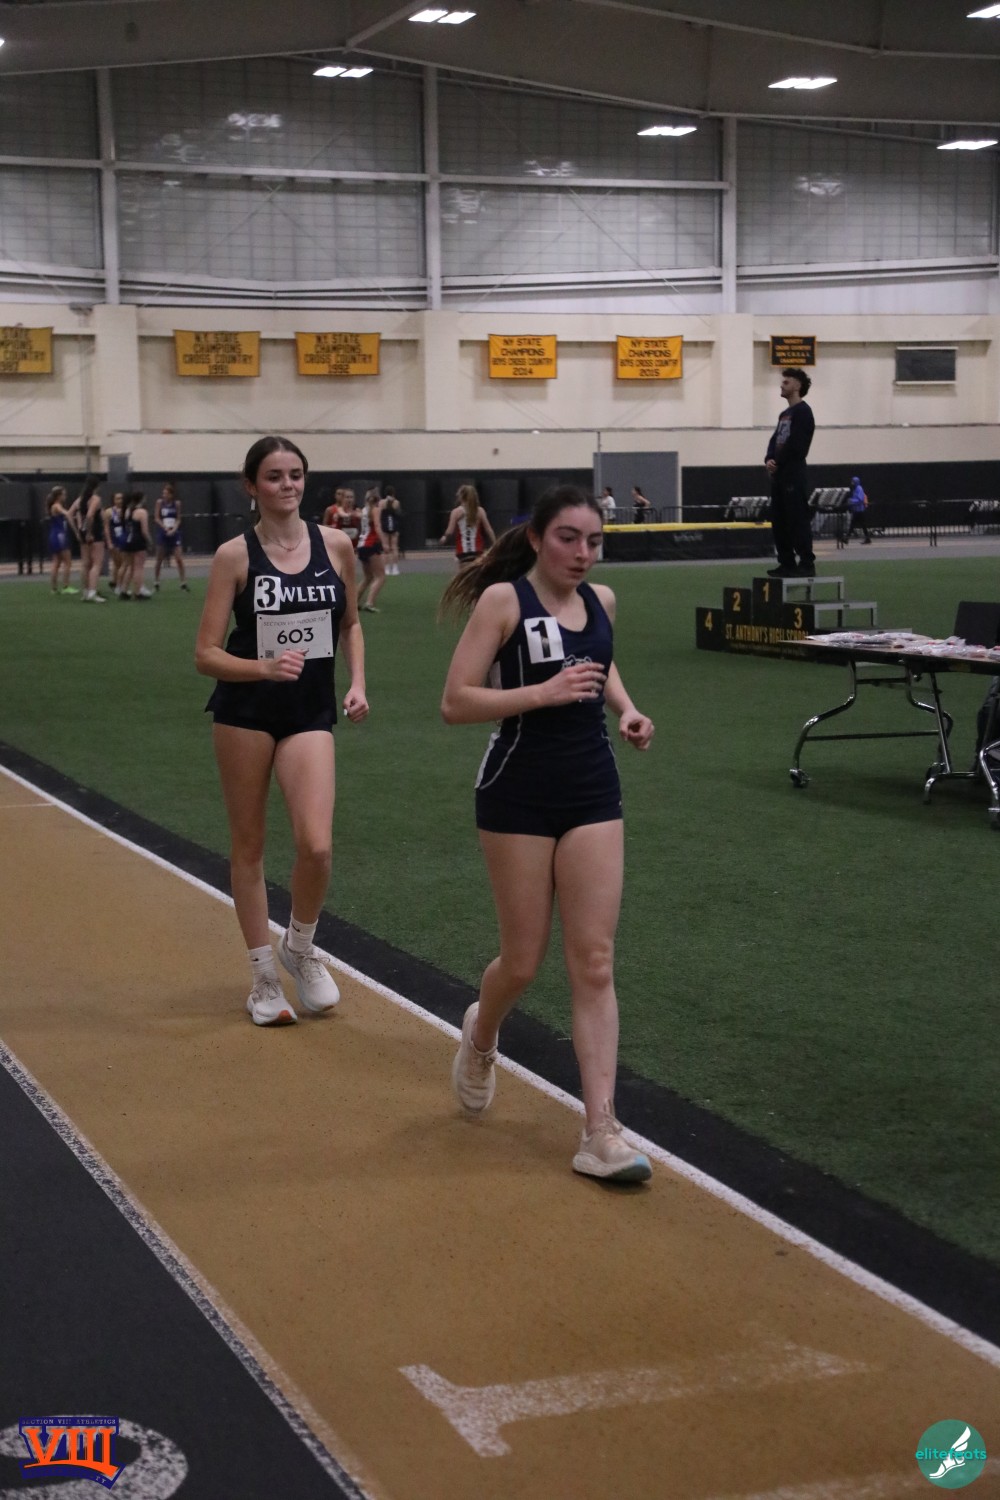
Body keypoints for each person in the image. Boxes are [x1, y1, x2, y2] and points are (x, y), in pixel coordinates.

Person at [440, 484, 655, 1183]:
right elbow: (456, 701)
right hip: (517, 791)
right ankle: (482, 1034)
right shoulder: (504, 602)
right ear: (536, 538)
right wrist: (543, 693)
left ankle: (601, 1130)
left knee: (594, 960)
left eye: (594, 541)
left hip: (592, 789)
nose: (583, 553)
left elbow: (601, 663)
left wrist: (625, 708)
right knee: (523, 962)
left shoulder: (603, 602)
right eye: (568, 538)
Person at [194, 435, 368, 1026]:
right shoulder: (234, 556)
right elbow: (205, 653)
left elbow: (350, 623)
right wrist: (262, 668)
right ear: (251, 486)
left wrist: (358, 682)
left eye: (295, 474)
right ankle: (263, 977)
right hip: (245, 713)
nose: (287, 484)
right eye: (274, 476)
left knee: (316, 845)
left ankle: (300, 945)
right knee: (249, 847)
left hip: (309, 711)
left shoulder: (336, 544)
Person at [765, 367, 816, 579]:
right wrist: (769, 459)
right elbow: (775, 440)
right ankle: (786, 562)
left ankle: (806, 563)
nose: (781, 385)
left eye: (786, 382)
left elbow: (798, 446)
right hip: (779, 475)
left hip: (793, 474)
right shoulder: (784, 414)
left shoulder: (803, 412)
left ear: (797, 385)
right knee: (779, 520)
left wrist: (779, 462)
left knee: (797, 519)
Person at [70, 478, 107, 604]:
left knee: (85, 563)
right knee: (96, 563)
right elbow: (90, 515)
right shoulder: (95, 499)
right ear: (97, 487)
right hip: (94, 532)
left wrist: (77, 530)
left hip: (83, 531)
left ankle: (85, 592)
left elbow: (69, 514)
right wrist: (89, 533)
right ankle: (92, 592)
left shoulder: (80, 500)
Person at [440, 484, 496, 566]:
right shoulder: (480, 511)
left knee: (465, 573)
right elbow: (488, 529)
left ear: (461, 496)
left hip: (462, 551)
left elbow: (450, 531)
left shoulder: (456, 512)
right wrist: (495, 543)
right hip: (477, 550)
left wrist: (444, 537)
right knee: (476, 572)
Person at [153, 481, 190, 591]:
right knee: (159, 558)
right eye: (163, 493)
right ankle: (156, 581)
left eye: (166, 493)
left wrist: (174, 529)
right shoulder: (159, 503)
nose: (164, 495)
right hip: (163, 532)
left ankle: (183, 582)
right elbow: (156, 518)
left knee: (179, 558)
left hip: (174, 533)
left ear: (171, 494)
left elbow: (178, 519)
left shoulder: (177, 504)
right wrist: (164, 527)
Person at [356, 488, 386, 613]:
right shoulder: (375, 509)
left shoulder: (364, 510)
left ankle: (353, 602)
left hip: (362, 544)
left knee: (368, 577)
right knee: (381, 576)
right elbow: (377, 526)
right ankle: (369, 602)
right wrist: (385, 542)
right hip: (371, 544)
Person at [121, 490, 153, 599]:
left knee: (130, 567)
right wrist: (149, 541)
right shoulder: (142, 512)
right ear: (142, 499)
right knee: (139, 567)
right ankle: (138, 592)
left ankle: (124, 591)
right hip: (138, 541)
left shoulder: (128, 510)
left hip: (128, 539)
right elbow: (144, 531)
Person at [45, 486, 78, 595]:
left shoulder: (55, 506)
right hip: (60, 535)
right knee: (67, 562)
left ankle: (54, 588)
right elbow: (66, 513)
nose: (65, 496)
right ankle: (66, 586)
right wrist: (74, 509)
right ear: (59, 496)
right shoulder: (56, 506)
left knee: (57, 562)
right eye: (64, 494)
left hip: (55, 535)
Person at [105, 491, 129, 594]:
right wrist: (109, 542)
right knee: (119, 563)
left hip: (124, 539)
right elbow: (106, 528)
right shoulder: (109, 512)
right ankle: (119, 585)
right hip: (114, 539)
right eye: (117, 499)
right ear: (113, 500)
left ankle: (115, 582)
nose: (120, 501)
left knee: (120, 563)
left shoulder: (126, 510)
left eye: (121, 498)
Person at [381, 486, 403, 575]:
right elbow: (399, 514)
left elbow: (380, 514)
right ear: (393, 493)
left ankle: (386, 569)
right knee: (394, 547)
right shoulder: (396, 502)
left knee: (386, 548)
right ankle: (395, 568)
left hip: (385, 526)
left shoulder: (382, 502)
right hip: (394, 526)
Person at [846, 475, 871, 544]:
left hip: (859, 509)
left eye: (853, 482)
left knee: (853, 525)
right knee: (862, 525)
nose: (852, 483)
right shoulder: (856, 489)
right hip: (857, 509)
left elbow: (860, 499)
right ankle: (867, 538)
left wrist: (851, 501)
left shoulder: (859, 488)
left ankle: (846, 538)